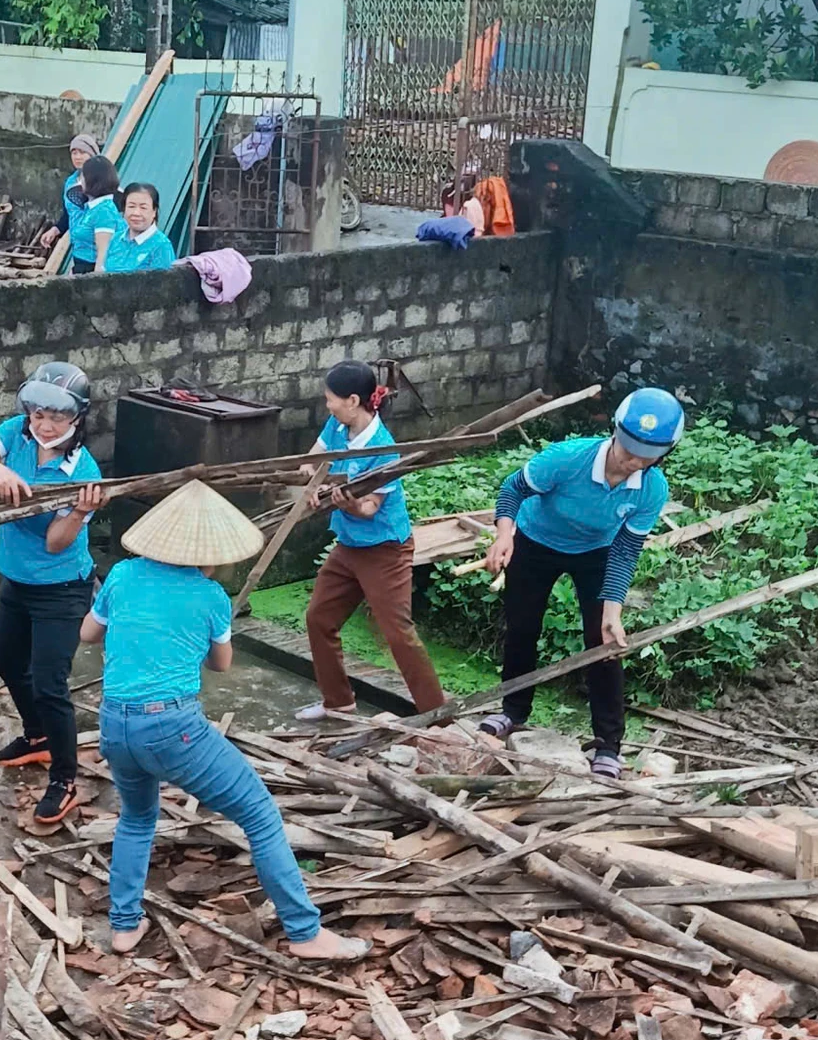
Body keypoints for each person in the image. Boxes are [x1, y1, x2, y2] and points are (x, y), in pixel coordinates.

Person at [82, 481, 368, 961]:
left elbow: (89, 633)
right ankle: (304, 931)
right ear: (210, 555)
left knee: (136, 817)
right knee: (259, 815)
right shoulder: (211, 595)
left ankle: (124, 926)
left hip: (115, 722)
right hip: (174, 726)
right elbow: (221, 665)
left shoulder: (124, 575)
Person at [479, 389, 685, 774]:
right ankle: (512, 710)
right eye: (628, 449)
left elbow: (625, 550)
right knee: (522, 627)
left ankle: (608, 745)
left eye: (647, 456)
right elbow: (513, 489)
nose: (633, 461)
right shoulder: (567, 458)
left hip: (596, 553)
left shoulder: (651, 489)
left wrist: (613, 611)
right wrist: (504, 535)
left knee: (604, 644)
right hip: (536, 541)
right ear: (615, 433)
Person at [0, 362, 104, 828]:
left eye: (57, 417)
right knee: (5, 660)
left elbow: (56, 542)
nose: (44, 424)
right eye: (39, 413)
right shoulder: (17, 434)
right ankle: (36, 735)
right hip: (16, 580)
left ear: (76, 419)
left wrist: (79, 513)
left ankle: (65, 777)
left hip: (61, 589)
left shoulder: (83, 471)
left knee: (49, 682)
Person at [294, 362, 446, 722]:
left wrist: (343, 501)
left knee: (397, 633)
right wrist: (313, 482)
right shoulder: (338, 425)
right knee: (319, 618)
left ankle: (438, 715)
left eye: (330, 399)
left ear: (352, 400)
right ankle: (338, 701)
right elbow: (315, 461)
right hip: (349, 546)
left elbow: (368, 508)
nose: (327, 406)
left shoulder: (383, 449)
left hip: (384, 550)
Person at [101, 181, 176, 275]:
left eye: (143, 208)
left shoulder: (161, 246)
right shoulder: (116, 239)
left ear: (154, 211)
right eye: (131, 206)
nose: (136, 213)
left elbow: (164, 286)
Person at [67, 153, 120, 275]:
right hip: (81, 269)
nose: (81, 180)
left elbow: (103, 254)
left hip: (90, 272)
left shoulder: (104, 211)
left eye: (83, 176)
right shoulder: (92, 208)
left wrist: (96, 285)